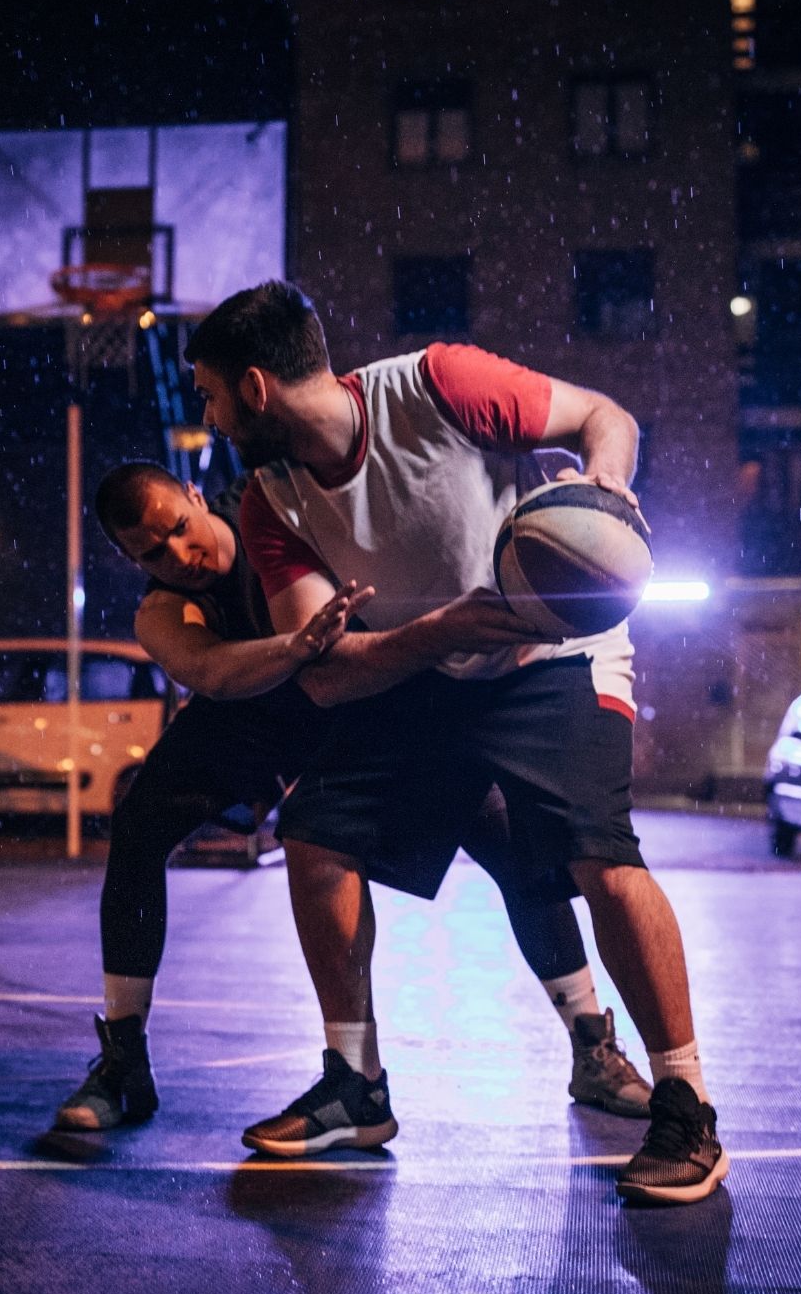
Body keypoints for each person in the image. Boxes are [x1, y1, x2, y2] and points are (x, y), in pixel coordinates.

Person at [189, 280, 725, 1204]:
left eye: (208, 396)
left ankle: (687, 1104)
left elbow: (606, 414)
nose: (208, 418)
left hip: (558, 651)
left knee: (601, 858)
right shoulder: (269, 501)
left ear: (255, 386)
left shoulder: (436, 384)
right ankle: (355, 1087)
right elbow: (328, 668)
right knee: (316, 837)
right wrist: (442, 631)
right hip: (429, 668)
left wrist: (606, 490)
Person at [51, 462, 651, 1134]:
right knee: (138, 825)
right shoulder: (163, 609)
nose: (179, 556)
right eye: (150, 554)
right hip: (256, 701)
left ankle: (592, 1047)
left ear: (195, 497)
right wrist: (294, 644)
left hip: (361, 696)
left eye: (179, 531)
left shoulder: (273, 505)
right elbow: (211, 671)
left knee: (510, 846)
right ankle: (124, 1059)